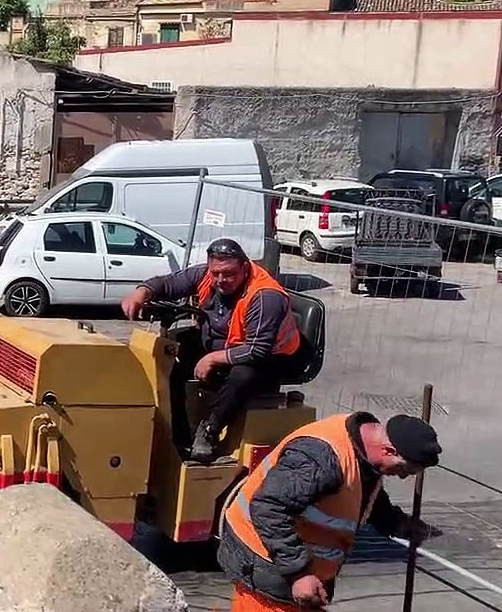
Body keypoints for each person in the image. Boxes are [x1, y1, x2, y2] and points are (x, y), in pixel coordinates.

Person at [219, 412, 441, 611]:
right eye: (404, 469)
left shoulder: (364, 445)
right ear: (388, 450)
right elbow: (268, 507)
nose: (402, 476)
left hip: (294, 571)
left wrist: (398, 523)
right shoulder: (321, 460)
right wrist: (299, 574)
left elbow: (359, 491)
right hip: (265, 565)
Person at [120, 238, 304, 463]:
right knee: (171, 351)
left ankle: (209, 429)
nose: (220, 280)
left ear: (245, 268)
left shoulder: (265, 296)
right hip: (226, 345)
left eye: (228, 274)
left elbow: (258, 349)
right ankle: (178, 431)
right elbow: (169, 284)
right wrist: (142, 292)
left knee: (242, 374)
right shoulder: (208, 275)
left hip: (272, 359)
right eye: (215, 273)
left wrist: (213, 359)